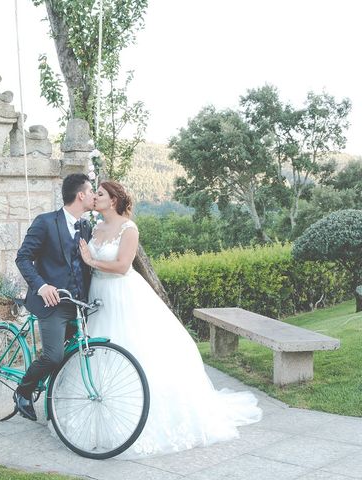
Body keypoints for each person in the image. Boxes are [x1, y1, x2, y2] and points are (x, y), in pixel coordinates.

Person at [78, 180, 262, 456]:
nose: (95, 198)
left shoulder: (129, 228)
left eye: (100, 194)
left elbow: (122, 265)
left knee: (134, 349)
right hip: (98, 295)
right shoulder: (96, 228)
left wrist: (91, 262)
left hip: (122, 294)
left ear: (113, 200)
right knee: (100, 351)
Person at [13, 173, 95, 421]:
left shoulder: (86, 227)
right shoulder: (46, 222)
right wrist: (41, 286)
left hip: (77, 305)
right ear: (81, 195)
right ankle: (23, 392)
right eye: (91, 191)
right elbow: (23, 258)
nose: (93, 196)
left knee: (71, 355)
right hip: (52, 304)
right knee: (53, 355)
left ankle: (52, 399)